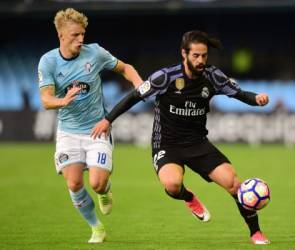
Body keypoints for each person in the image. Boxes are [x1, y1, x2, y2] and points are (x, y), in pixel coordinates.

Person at [91, 30, 270, 245]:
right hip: (166, 143)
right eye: (196, 55)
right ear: (184, 54)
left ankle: (255, 232)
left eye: (204, 55)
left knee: (234, 184)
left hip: (197, 143)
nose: (201, 60)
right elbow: (134, 97)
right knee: (173, 185)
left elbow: (239, 94)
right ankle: (189, 197)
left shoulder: (213, 76)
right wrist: (108, 119)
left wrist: (257, 99)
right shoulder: (165, 77)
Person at [38, 8, 143, 243]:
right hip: (68, 131)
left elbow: (125, 68)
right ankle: (96, 228)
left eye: (83, 33)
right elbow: (45, 99)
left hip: (97, 128)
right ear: (61, 36)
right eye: (75, 35)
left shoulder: (94, 53)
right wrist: (62, 101)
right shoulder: (48, 61)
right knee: (74, 183)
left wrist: (140, 85)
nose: (81, 39)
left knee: (97, 183)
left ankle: (105, 190)